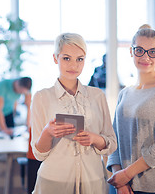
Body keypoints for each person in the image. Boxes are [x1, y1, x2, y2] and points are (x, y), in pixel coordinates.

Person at [31, 33, 117, 194]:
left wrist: (95, 138)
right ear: (55, 58)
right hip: (54, 182)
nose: (74, 65)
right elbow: (39, 154)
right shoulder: (41, 97)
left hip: (94, 182)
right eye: (66, 58)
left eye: (80, 59)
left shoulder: (97, 95)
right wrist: (47, 132)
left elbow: (111, 143)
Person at [107, 25, 155, 194]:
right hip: (122, 186)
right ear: (131, 52)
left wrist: (126, 174)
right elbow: (114, 140)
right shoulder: (124, 93)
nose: (145, 57)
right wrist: (120, 180)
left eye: (152, 51)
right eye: (139, 50)